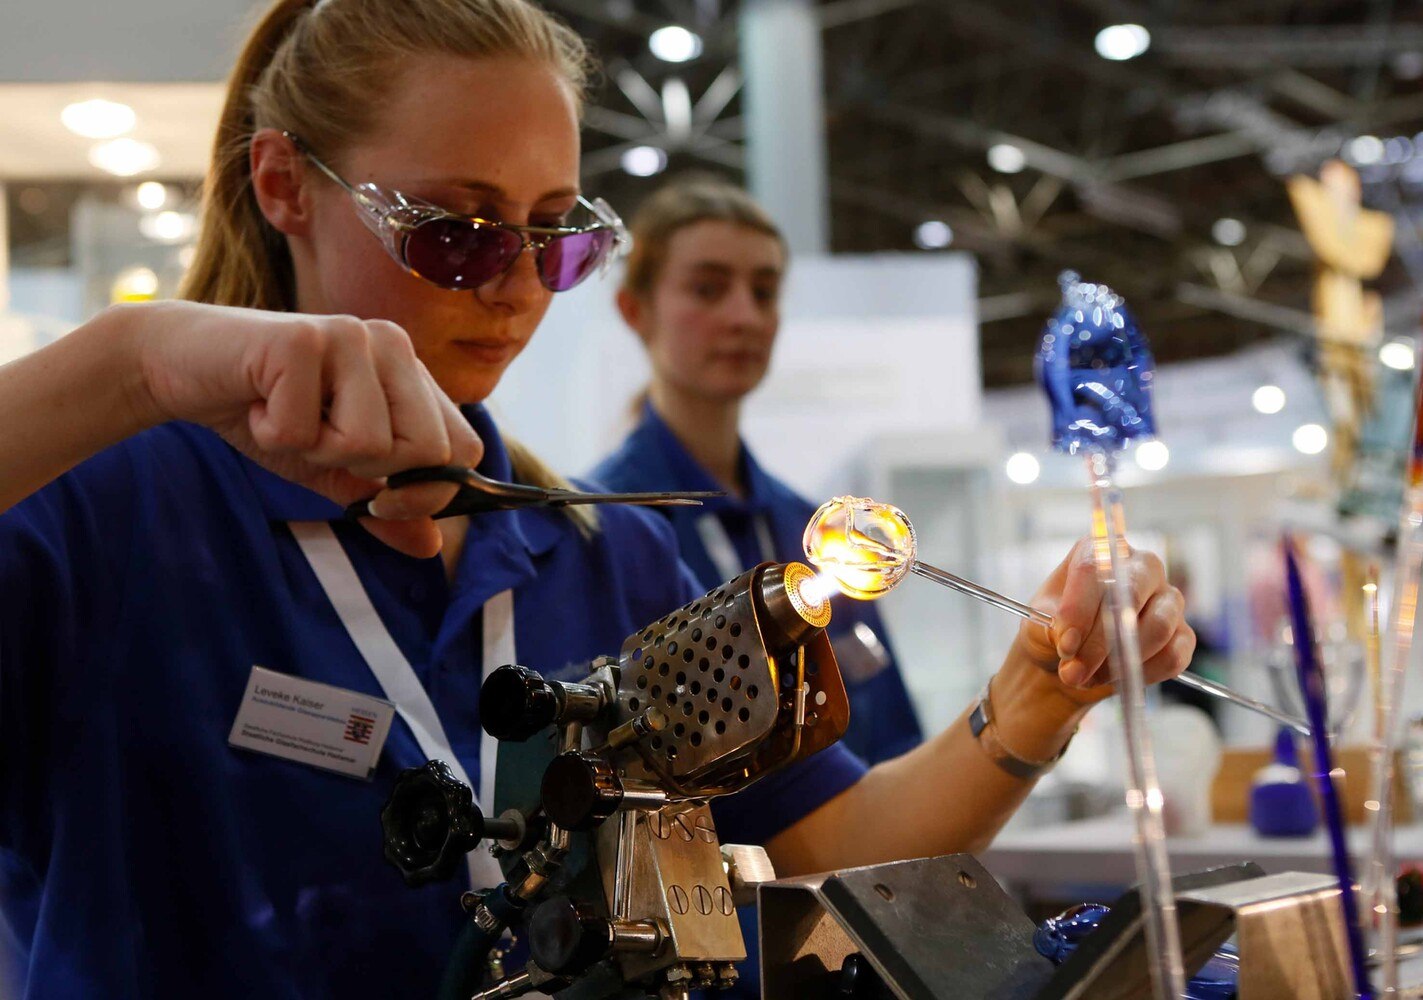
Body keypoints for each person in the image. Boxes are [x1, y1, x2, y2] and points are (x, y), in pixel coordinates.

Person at [0, 0, 1196, 996]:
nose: (519, 288)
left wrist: (1030, 701)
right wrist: (130, 363)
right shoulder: (100, 510)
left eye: (554, 236)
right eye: (458, 234)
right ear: (283, 186)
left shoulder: (581, 547)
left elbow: (822, 843)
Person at [591, 177, 922, 766]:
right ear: (634, 309)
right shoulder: (605, 526)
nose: (744, 315)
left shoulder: (816, 531)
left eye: (764, 292)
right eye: (708, 288)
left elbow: (894, 743)